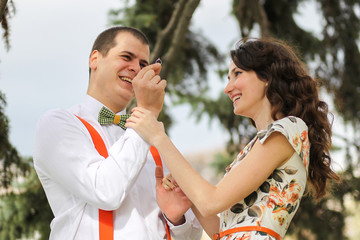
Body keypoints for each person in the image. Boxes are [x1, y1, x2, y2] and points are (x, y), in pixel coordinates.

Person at [126, 38, 340, 240]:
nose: (228, 88)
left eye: (237, 74)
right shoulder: (260, 143)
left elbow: (211, 202)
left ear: (267, 77)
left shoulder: (287, 129)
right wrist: (188, 196)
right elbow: (225, 232)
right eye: (228, 78)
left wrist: (158, 136)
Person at [33, 26, 202, 240]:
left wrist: (176, 219)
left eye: (143, 64)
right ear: (95, 59)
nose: (135, 68)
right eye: (126, 57)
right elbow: (105, 191)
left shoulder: (155, 139)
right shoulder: (57, 124)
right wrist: (146, 113)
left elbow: (192, 235)